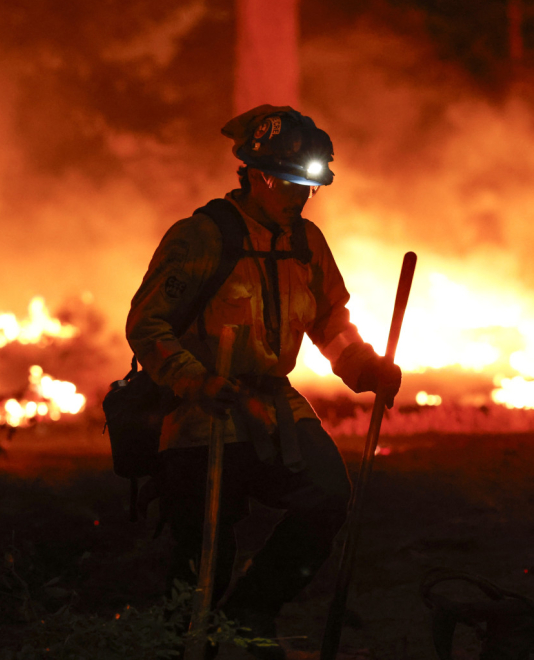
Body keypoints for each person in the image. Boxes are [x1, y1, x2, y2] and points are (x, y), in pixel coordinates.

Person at [126, 104, 402, 659]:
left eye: (309, 186)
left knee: (326, 496)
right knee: (203, 550)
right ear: (255, 172)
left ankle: (250, 610)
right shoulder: (200, 239)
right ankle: (183, 645)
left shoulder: (307, 243)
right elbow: (147, 325)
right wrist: (196, 381)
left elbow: (330, 323)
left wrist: (365, 367)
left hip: (272, 404)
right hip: (200, 410)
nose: (300, 196)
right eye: (291, 183)